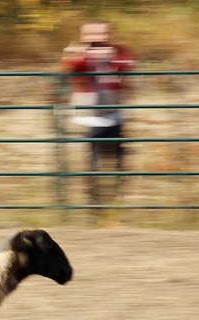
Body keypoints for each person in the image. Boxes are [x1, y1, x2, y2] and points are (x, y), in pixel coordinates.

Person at [61, 20, 136, 206]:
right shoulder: (76, 51)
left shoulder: (118, 50)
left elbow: (129, 65)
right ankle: (93, 203)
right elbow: (68, 68)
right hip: (89, 116)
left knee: (120, 158)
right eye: (92, 34)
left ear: (109, 34)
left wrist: (110, 59)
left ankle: (118, 202)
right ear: (83, 36)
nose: (98, 39)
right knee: (93, 160)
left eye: (103, 34)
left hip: (114, 112)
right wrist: (84, 56)